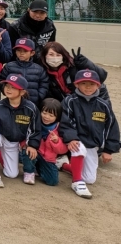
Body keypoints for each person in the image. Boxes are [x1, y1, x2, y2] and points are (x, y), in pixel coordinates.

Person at [59, 70, 119, 198]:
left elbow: (112, 127)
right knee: (78, 148)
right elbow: (65, 122)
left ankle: (63, 165)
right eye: (83, 83)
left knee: (89, 179)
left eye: (92, 84)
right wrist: (71, 138)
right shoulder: (70, 101)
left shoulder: (103, 105)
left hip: (92, 145)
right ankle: (76, 183)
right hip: (75, 141)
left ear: (98, 85)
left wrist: (108, 150)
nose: (88, 87)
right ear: (76, 84)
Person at [0, 74, 40, 188]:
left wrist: (32, 144)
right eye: (7, 86)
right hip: (0, 137)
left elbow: (36, 129)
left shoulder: (31, 108)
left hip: (14, 142)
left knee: (11, 174)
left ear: (22, 92)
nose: (8, 89)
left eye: (13, 87)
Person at [19, 98, 67, 187]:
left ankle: (38, 168)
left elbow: (63, 150)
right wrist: (25, 145)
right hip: (35, 152)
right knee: (27, 151)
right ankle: (29, 172)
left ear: (57, 117)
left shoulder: (60, 128)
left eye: (51, 115)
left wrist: (57, 141)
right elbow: (24, 135)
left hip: (48, 159)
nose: (46, 117)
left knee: (52, 181)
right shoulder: (34, 121)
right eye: (44, 113)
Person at [39, 42, 110, 102]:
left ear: (63, 56)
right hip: (71, 103)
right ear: (44, 56)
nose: (55, 58)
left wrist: (86, 63)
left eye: (58, 55)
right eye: (51, 54)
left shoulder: (74, 65)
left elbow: (102, 77)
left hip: (96, 98)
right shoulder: (43, 72)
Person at [0, 38, 49, 108]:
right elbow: (1, 81)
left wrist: (39, 96)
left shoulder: (39, 69)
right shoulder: (9, 67)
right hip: (13, 103)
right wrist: (7, 93)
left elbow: (44, 84)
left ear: (32, 53)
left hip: (33, 103)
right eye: (19, 50)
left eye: (25, 51)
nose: (21, 53)